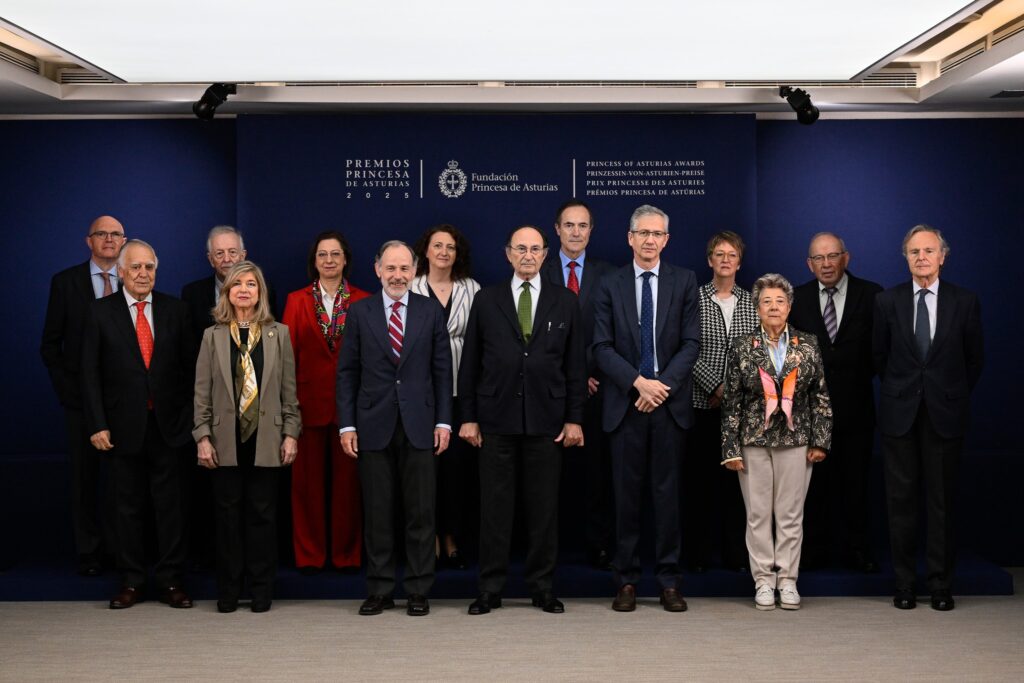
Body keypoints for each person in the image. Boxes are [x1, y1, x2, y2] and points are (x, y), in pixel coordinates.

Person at [459, 225, 586, 615]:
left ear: (545, 254)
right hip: (495, 420)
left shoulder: (565, 301)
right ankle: (490, 588)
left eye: (535, 249)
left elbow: (575, 366)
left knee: (543, 510)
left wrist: (574, 419)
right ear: (508, 254)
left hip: (547, 421)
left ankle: (542, 587)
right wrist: (468, 417)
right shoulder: (486, 299)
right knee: (494, 510)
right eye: (521, 249)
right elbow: (470, 364)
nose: (528, 255)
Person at [592, 204, 699, 613]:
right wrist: (638, 383)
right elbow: (601, 346)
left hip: (668, 406)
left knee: (668, 498)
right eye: (643, 233)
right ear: (630, 238)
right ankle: (626, 581)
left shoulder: (684, 281)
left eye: (657, 234)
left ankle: (669, 581)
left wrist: (660, 387)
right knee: (626, 499)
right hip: (626, 404)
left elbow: (691, 343)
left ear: (666, 240)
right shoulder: (610, 283)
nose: (650, 240)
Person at [337, 241, 452, 617]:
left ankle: (418, 590)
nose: (398, 276)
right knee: (378, 513)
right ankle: (380, 589)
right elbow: (347, 372)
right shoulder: (360, 312)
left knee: (421, 513)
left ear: (414, 271)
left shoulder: (430, 311)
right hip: (372, 425)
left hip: (420, 425)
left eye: (404, 268)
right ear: (377, 270)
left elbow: (442, 371)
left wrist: (444, 421)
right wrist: (347, 424)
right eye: (391, 268)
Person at [81, 239, 196, 609]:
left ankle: (170, 581)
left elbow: (192, 371)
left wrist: (190, 421)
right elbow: (89, 374)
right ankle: (131, 581)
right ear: (121, 271)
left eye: (149, 267)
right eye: (135, 267)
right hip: (120, 428)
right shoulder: (99, 312)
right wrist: (97, 424)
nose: (143, 273)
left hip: (170, 427)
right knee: (126, 508)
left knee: (171, 508)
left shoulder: (177, 310)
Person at [873, 225, 983, 611]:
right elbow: (879, 357)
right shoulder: (887, 301)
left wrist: (946, 393)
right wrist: (905, 390)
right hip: (899, 413)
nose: (921, 257)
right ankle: (905, 584)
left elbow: (974, 360)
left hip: (945, 414)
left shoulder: (964, 301)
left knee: (941, 503)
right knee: (900, 502)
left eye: (929, 251)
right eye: (914, 251)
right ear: (905, 257)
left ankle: (939, 585)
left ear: (942, 257)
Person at [194, 261, 301, 613]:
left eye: (251, 284)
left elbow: (289, 393)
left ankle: (261, 590)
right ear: (227, 292)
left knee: (263, 517)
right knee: (227, 519)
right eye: (237, 284)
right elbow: (201, 394)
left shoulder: (278, 334)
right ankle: (228, 590)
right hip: (224, 441)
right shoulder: (212, 336)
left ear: (260, 293)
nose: (244, 290)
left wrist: (291, 433)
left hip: (266, 439)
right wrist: (203, 437)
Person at [721, 273, 831, 611]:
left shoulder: (807, 343)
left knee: (790, 514)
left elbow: (819, 396)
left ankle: (788, 580)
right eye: (766, 301)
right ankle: (763, 581)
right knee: (757, 514)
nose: (773, 307)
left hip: (797, 441)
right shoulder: (742, 345)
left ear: (789, 307)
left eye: (779, 301)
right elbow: (732, 401)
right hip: (753, 441)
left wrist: (820, 441)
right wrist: (730, 448)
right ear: (757, 308)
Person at [790, 232, 883, 572]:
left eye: (832, 256)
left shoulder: (872, 295)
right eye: (819, 258)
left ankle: (858, 550)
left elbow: (881, 350)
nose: (826, 264)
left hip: (857, 408)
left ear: (846, 258)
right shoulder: (797, 298)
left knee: (856, 483)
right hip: (810, 413)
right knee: (814, 486)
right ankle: (815, 550)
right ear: (809, 264)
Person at [40, 215, 125, 576]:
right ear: (88, 241)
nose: (109, 239)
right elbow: (50, 345)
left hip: (123, 400)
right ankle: (89, 553)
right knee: (84, 479)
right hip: (80, 402)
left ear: (124, 241)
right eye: (101, 234)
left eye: (116, 234)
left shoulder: (134, 277)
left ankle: (121, 552)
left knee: (122, 481)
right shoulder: (65, 282)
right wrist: (70, 393)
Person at [281, 231, 370, 573]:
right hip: (307, 405)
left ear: (345, 259)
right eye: (323, 254)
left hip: (352, 408)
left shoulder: (364, 299)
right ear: (314, 261)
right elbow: (287, 359)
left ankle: (347, 555)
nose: (329, 260)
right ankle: (310, 555)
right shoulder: (296, 300)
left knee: (349, 488)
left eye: (335, 254)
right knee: (306, 488)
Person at [539, 199, 616, 569]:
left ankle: (597, 544)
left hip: (597, 387)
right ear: (557, 229)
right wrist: (571, 375)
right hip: (549, 388)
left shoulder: (609, 274)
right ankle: (546, 548)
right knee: (546, 474)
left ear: (591, 231)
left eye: (582, 225)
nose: (575, 232)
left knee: (596, 474)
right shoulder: (539, 269)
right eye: (568, 225)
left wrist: (588, 372)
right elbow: (534, 333)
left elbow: (614, 330)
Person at [684, 231, 758, 573]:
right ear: (709, 260)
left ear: (739, 262)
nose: (725, 260)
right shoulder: (694, 299)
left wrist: (733, 392)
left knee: (736, 486)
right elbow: (685, 348)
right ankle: (697, 555)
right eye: (719, 254)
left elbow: (758, 351)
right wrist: (715, 386)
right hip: (702, 405)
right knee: (698, 483)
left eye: (732, 255)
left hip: (741, 410)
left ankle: (735, 554)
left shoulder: (752, 301)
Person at [410, 224, 480, 570]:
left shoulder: (472, 289)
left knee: (455, 473)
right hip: (419, 393)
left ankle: (451, 537)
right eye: (437, 245)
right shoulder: (410, 286)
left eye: (450, 247)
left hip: (459, 392)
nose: (443, 252)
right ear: (425, 250)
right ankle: (429, 539)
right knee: (424, 472)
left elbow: (481, 341)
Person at [181, 225, 278, 347]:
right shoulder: (192, 294)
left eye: (232, 252)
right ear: (211, 259)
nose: (226, 259)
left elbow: (272, 338)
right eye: (219, 253)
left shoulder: (264, 289)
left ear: (242, 256)